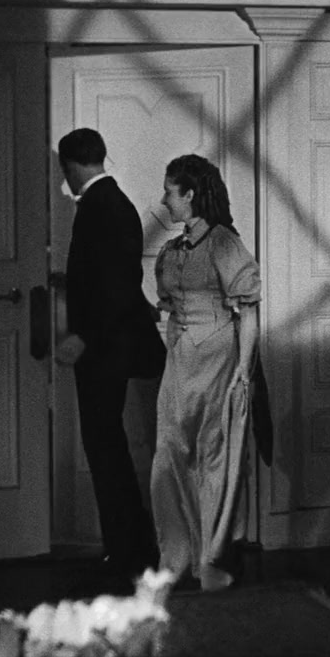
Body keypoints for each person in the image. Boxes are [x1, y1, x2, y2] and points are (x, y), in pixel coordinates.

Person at [54, 127, 166, 581]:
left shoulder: (101, 206)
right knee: (108, 446)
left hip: (104, 350)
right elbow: (112, 278)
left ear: (69, 165)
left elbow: (114, 286)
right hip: (112, 345)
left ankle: (127, 549)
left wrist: (82, 336)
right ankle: (128, 546)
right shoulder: (113, 203)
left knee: (105, 447)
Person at [150, 154, 262, 592]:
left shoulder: (222, 243)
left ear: (191, 194)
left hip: (217, 358)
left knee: (210, 456)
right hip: (180, 359)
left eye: (170, 192)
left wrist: (244, 370)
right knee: (169, 454)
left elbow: (248, 311)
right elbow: (170, 307)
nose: (165, 201)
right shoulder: (175, 248)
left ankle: (209, 559)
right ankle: (175, 557)